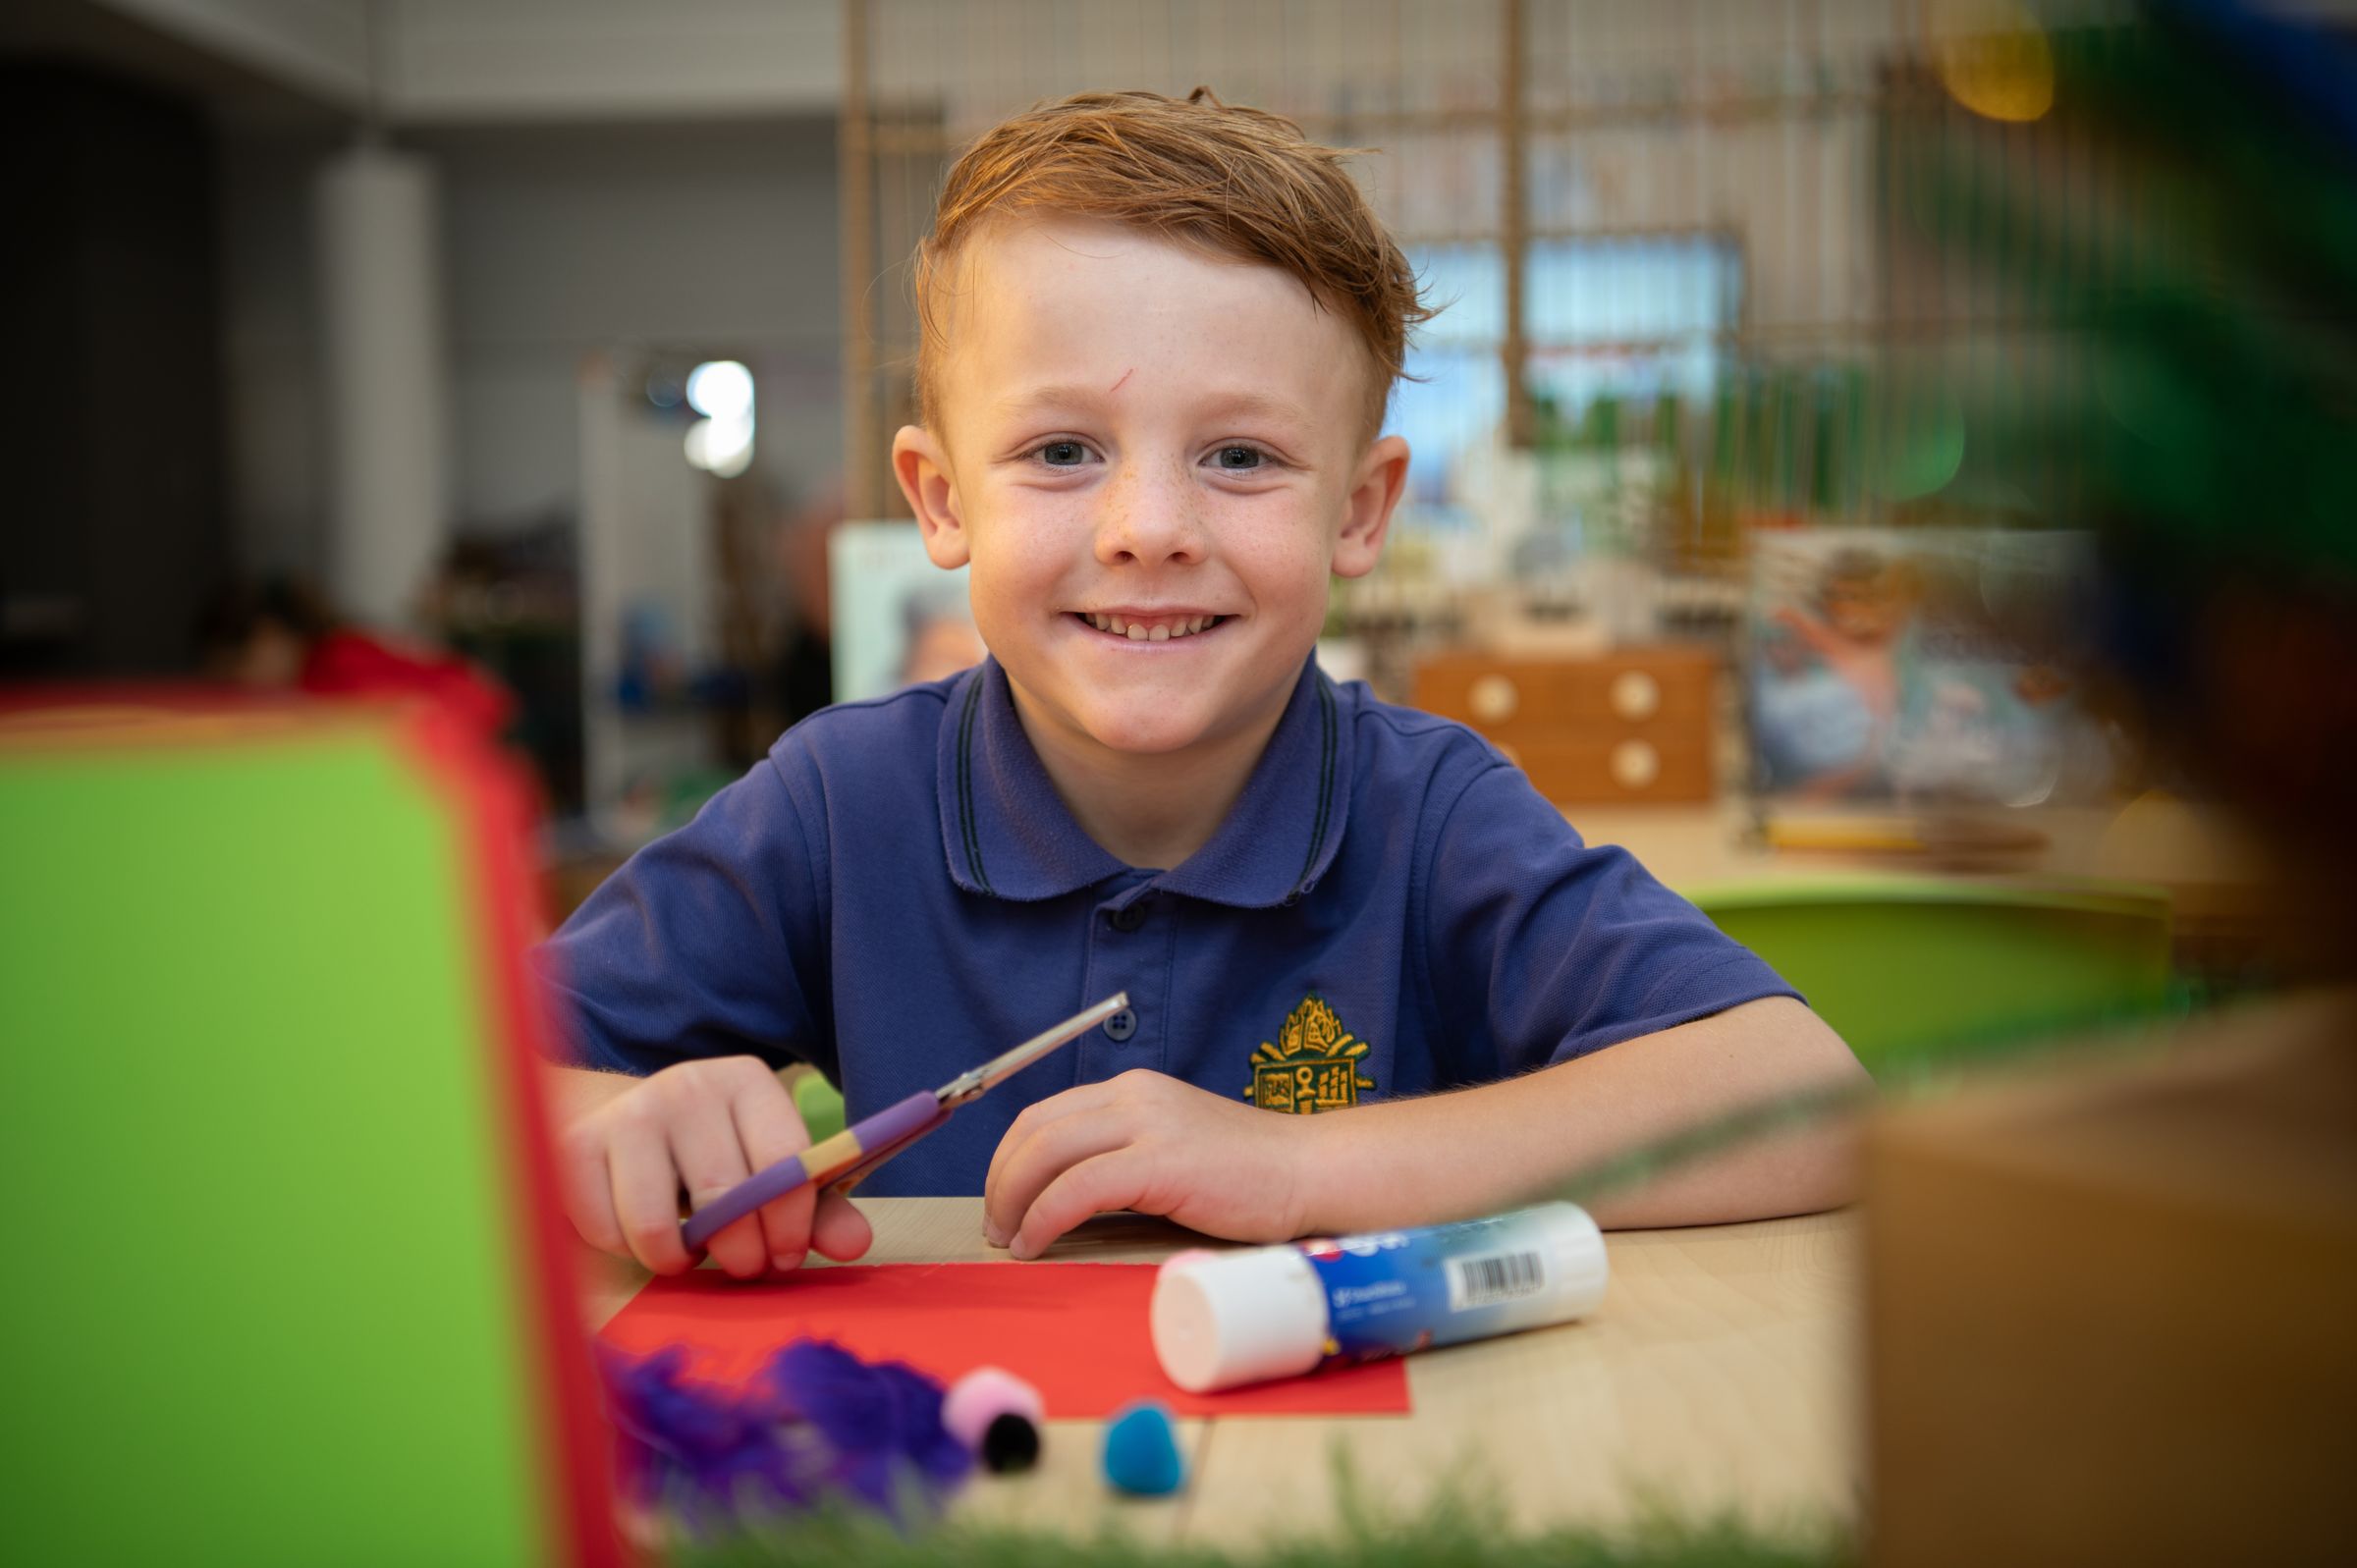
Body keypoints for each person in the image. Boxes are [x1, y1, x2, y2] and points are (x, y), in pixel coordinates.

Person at [535, 89, 1868, 1283]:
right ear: (940, 501)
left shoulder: (1433, 813)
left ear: (1361, 512)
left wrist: (1302, 1168)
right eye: (1062, 450)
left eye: (1239, 457)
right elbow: (457, 1081)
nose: (1150, 529)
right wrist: (608, 1124)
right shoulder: (842, 803)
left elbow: (1811, 1099)